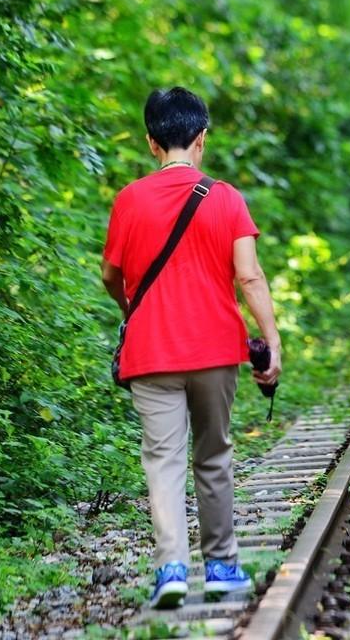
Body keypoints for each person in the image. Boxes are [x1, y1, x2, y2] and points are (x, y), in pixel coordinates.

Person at [101, 87, 282, 609]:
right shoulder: (225, 197)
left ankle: (171, 569)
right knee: (214, 456)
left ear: (151, 142)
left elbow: (111, 274)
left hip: (151, 352)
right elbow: (249, 276)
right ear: (201, 138)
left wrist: (131, 307)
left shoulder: (129, 200)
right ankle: (223, 567)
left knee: (163, 460)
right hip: (215, 350)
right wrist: (269, 339)